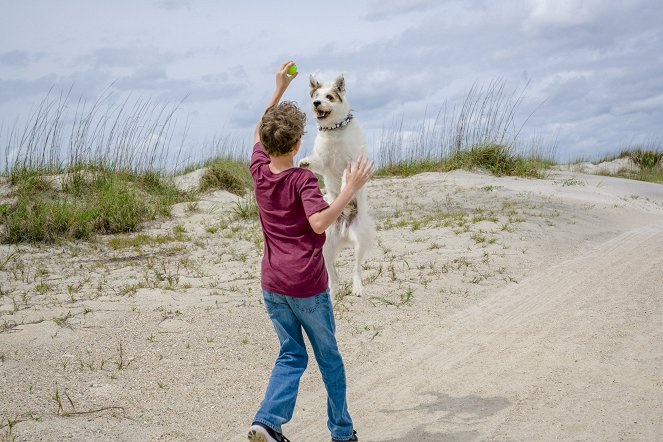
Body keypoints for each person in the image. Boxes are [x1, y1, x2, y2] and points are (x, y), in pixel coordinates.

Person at [246, 60, 374, 442]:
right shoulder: (302, 178)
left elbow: (257, 131)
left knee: (291, 355)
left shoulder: (258, 169)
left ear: (266, 145)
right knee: (329, 358)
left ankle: (267, 422)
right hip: (306, 286)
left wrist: (279, 89)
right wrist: (349, 189)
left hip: (272, 285)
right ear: (299, 143)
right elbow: (319, 223)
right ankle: (342, 432)